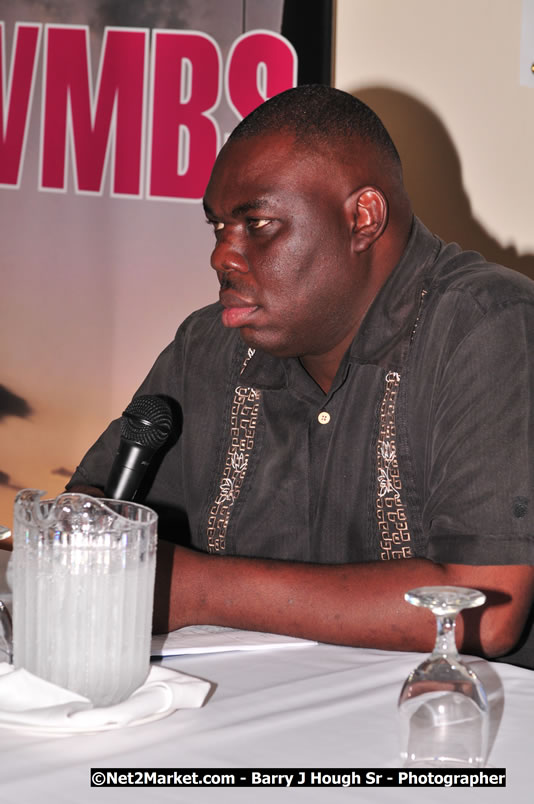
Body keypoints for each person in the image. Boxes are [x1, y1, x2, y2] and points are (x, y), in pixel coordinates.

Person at [68, 85, 534, 668]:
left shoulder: (488, 326)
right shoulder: (208, 345)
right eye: (218, 227)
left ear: (362, 218)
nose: (222, 256)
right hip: (241, 706)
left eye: (257, 223)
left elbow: (484, 611)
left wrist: (192, 590)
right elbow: (90, 511)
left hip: (444, 716)